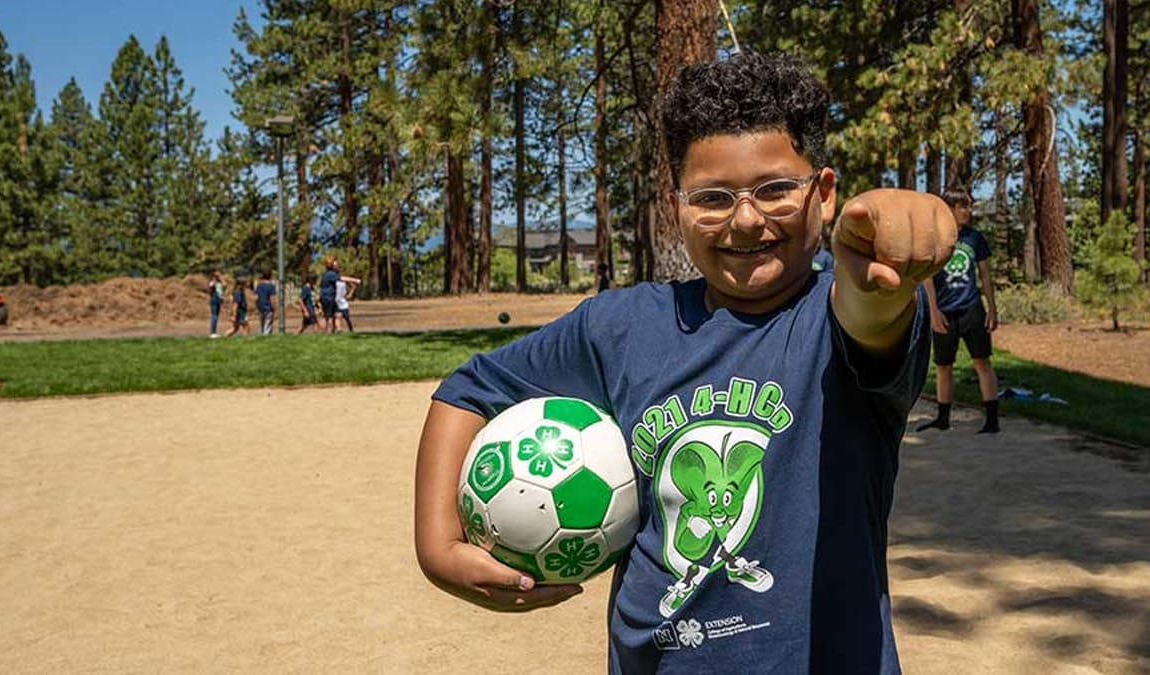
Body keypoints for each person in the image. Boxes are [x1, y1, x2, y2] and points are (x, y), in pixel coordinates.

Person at [413, 52, 955, 673]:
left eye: (776, 189)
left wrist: (887, 257)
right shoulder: (618, 327)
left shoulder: (831, 323)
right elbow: (470, 386)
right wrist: (437, 547)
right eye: (713, 197)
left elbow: (872, 313)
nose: (746, 219)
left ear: (824, 194)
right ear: (677, 206)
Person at [918, 189, 1000, 433]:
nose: (968, 211)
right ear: (950, 209)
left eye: (969, 206)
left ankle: (992, 420)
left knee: (981, 362)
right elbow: (927, 278)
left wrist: (992, 309)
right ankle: (943, 418)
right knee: (944, 365)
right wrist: (933, 311)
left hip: (971, 309)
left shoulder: (975, 238)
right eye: (963, 207)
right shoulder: (936, 238)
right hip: (944, 311)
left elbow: (985, 274)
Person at [320, 257, 341, 333]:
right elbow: (341, 279)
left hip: (328, 297)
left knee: (337, 313)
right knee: (326, 316)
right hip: (328, 297)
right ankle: (324, 331)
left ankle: (338, 329)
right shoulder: (331, 274)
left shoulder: (325, 274)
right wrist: (355, 280)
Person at [254, 270, 277, 335]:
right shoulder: (271, 286)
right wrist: (275, 309)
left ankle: (262, 336)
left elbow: (256, 297)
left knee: (262, 325)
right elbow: (272, 298)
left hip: (261, 308)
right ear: (270, 276)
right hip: (268, 308)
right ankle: (265, 338)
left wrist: (257, 306)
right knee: (267, 326)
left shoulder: (259, 286)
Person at [207, 269, 225, 338]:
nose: (219, 274)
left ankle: (214, 332)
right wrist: (213, 284)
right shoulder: (212, 281)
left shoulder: (219, 281)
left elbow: (223, 286)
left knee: (216, 316)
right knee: (214, 316)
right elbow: (210, 288)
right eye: (218, 273)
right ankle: (212, 333)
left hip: (218, 300)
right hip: (214, 300)